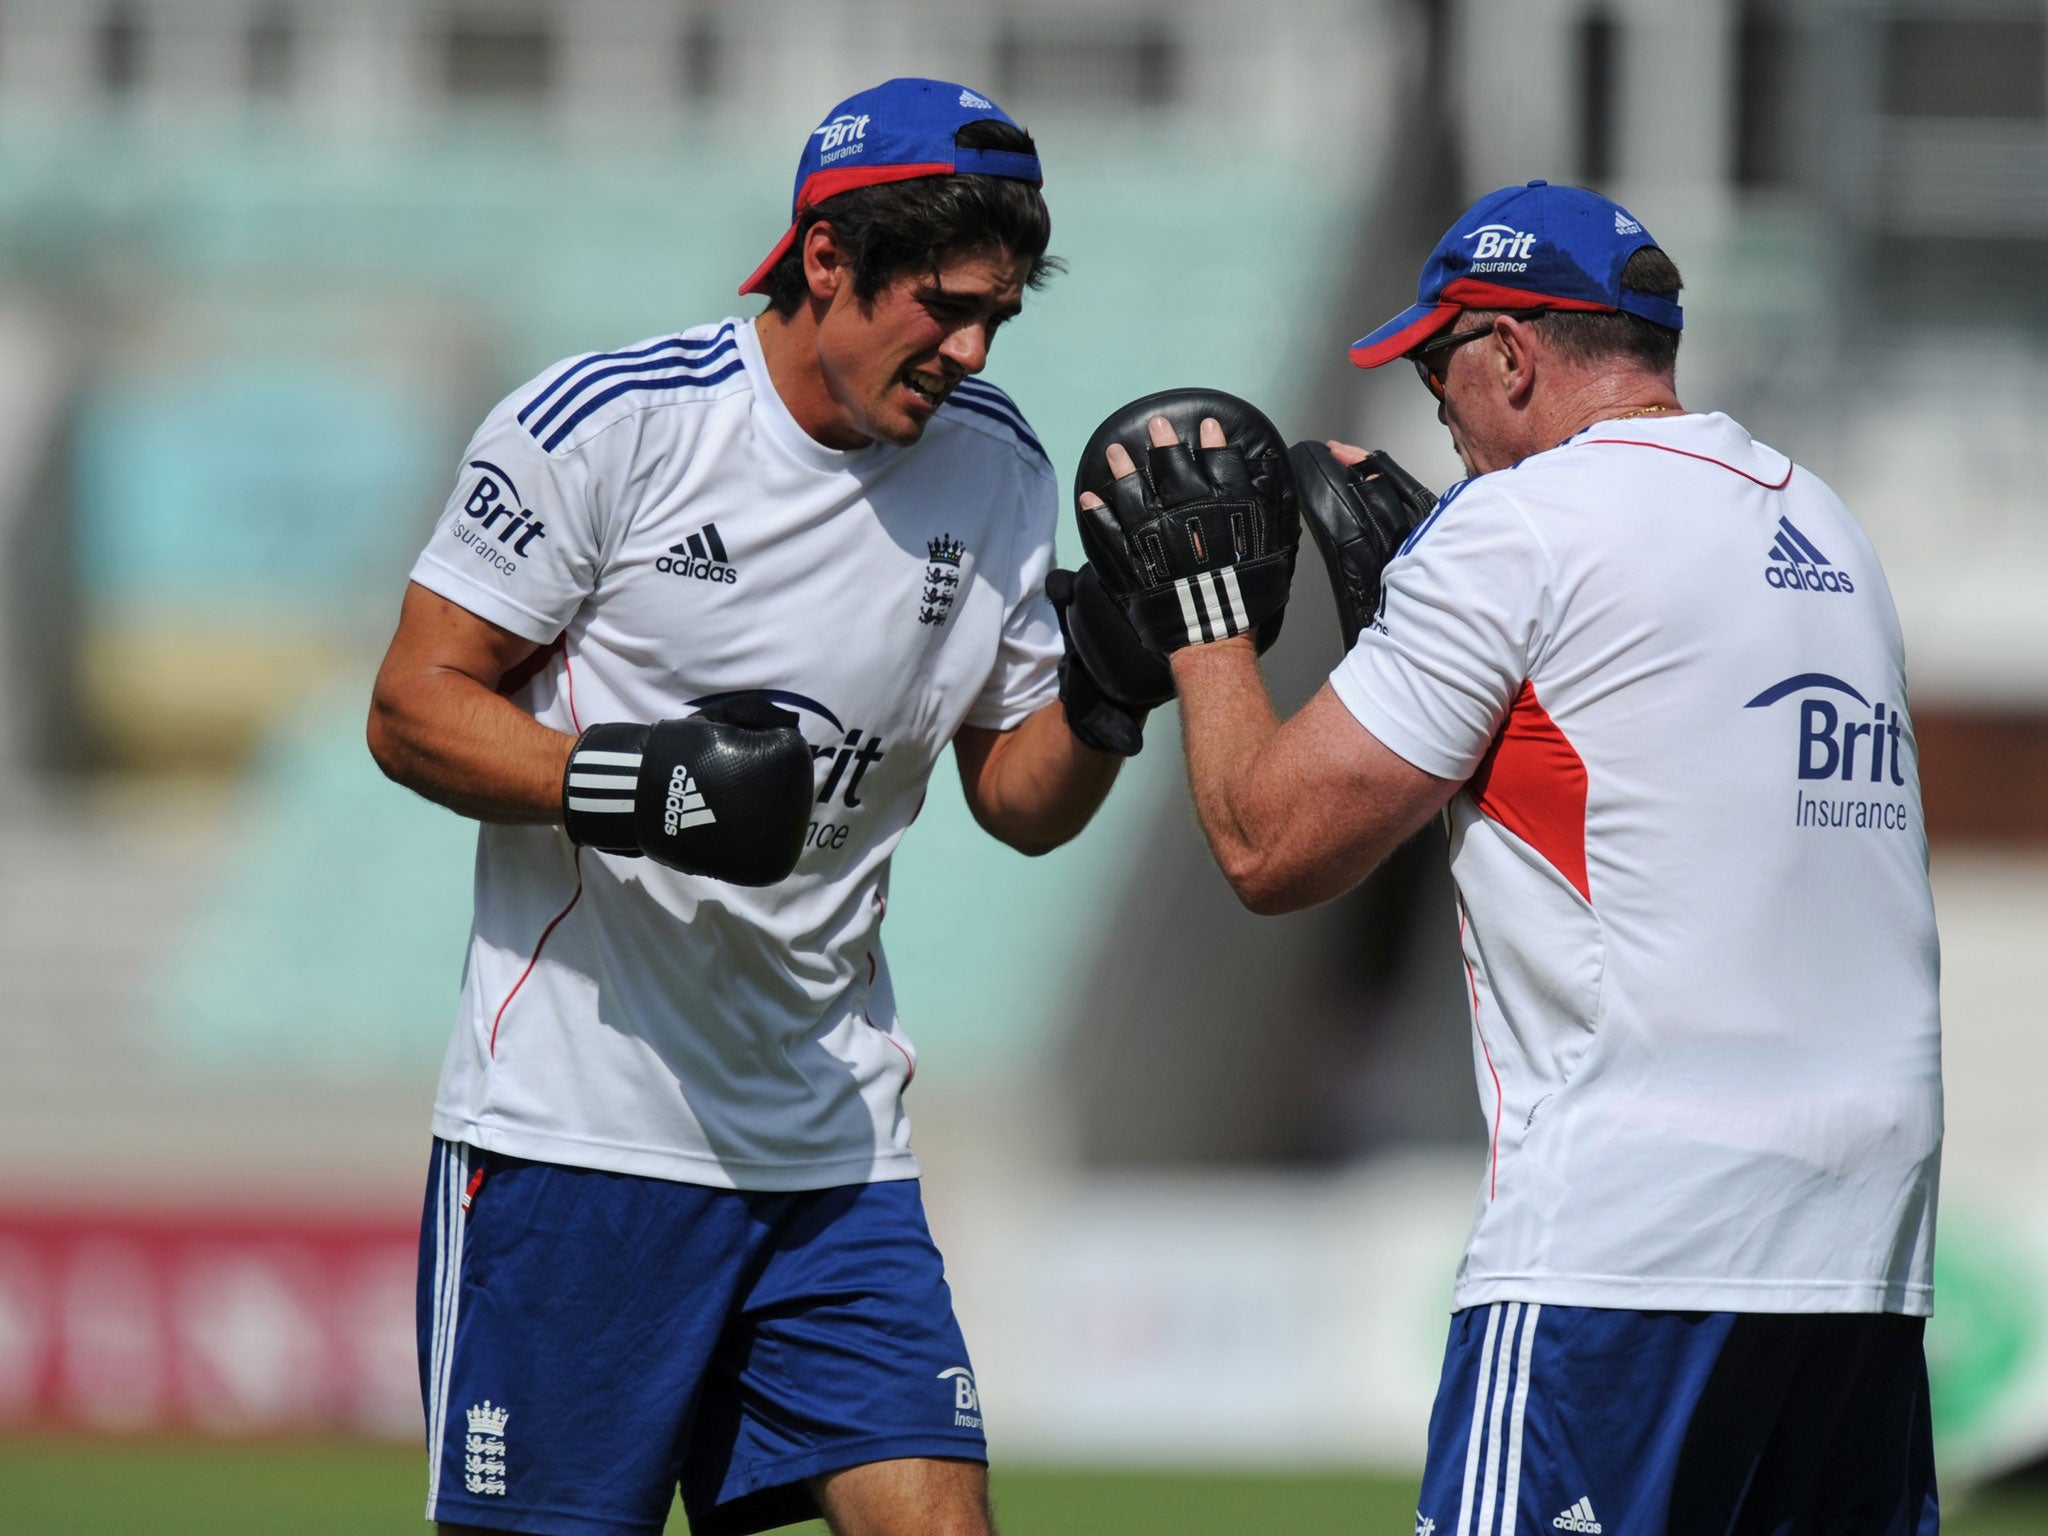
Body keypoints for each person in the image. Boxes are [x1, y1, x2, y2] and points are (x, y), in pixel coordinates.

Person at [1086, 181, 1942, 1533]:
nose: (1436, 403)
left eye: (1438, 365)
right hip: (1862, 1259)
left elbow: (1270, 842)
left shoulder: (1521, 529)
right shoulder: (1826, 527)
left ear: (1512, 354)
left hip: (1632, 1239)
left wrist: (1202, 620)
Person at [367, 78, 1133, 1536]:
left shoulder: (1001, 463)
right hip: (576, 1145)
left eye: (1000, 318)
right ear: (827, 257)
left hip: (833, 1146)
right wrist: (634, 783)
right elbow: (412, 706)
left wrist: (1115, 692)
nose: (970, 349)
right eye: (944, 303)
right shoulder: (614, 424)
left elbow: (1024, 803)